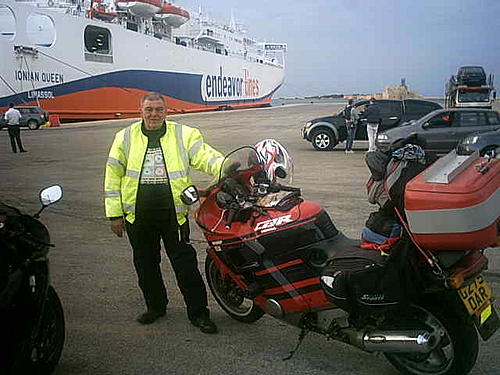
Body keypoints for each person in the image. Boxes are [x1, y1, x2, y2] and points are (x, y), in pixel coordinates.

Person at [104, 92, 225, 333]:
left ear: (166, 111)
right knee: (146, 265)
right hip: (138, 216)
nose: (154, 114)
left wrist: (228, 167)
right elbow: (112, 175)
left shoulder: (184, 134)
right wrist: (114, 214)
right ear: (141, 110)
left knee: (185, 265)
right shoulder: (124, 137)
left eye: (158, 109)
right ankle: (156, 307)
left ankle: (199, 313)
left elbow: (205, 156)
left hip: (174, 214)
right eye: (149, 109)